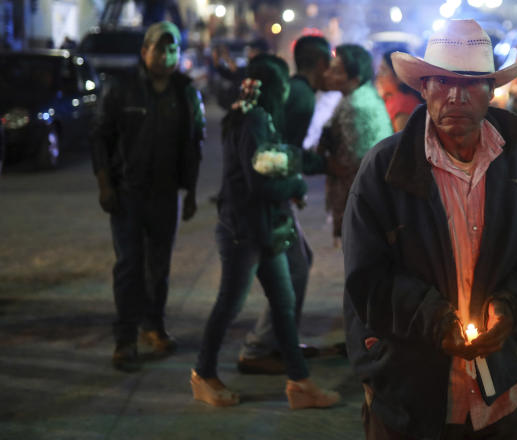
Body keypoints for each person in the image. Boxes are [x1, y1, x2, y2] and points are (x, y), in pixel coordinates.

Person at [342, 19, 517, 439]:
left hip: (498, 394)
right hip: (408, 395)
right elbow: (367, 276)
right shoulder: (384, 167)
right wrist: (433, 320)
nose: (456, 97)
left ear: (492, 91)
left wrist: (510, 306)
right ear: (423, 89)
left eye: (472, 84)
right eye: (442, 83)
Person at [191, 55, 340, 409]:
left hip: (264, 229)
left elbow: (268, 163)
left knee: (284, 305)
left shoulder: (250, 114)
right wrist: (297, 187)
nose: (287, 96)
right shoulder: (255, 119)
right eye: (283, 89)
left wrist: (296, 170)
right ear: (274, 89)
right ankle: (203, 375)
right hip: (244, 231)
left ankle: (299, 383)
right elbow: (259, 185)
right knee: (229, 305)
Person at [90, 21, 205, 371]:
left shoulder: (185, 91)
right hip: (127, 194)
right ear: (145, 51)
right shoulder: (121, 88)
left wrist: (192, 192)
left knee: (159, 267)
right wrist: (105, 185)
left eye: (173, 50)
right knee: (129, 267)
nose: (167, 56)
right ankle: (125, 339)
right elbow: (99, 137)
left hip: (166, 195)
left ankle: (153, 326)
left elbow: (194, 144)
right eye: (160, 49)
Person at [237, 36, 331, 375]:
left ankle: (279, 340)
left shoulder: (291, 94)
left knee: (300, 262)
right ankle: (261, 346)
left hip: (273, 193)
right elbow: (280, 154)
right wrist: (310, 170)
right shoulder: (300, 98)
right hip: (268, 198)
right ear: (320, 63)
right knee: (293, 268)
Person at [320, 44, 393, 247]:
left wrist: (326, 163)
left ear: (354, 79)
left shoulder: (356, 105)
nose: (327, 74)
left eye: (336, 71)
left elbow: (356, 161)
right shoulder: (362, 96)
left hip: (361, 200)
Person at [376, 50, 423, 132]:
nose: (379, 76)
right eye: (379, 70)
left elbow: (402, 142)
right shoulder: (392, 98)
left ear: (399, 76)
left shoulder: (402, 104)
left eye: (383, 70)